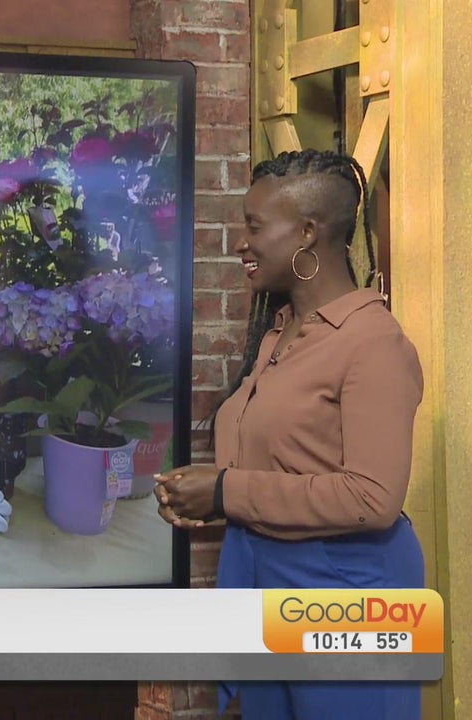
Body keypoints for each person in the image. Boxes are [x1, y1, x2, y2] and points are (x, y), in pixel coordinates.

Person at [153, 149, 425, 719]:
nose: (241, 244)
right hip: (268, 586)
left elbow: (373, 498)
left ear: (307, 232)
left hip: (350, 594)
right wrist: (202, 494)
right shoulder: (281, 334)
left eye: (255, 227)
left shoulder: (373, 343)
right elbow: (285, 463)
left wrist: (225, 491)